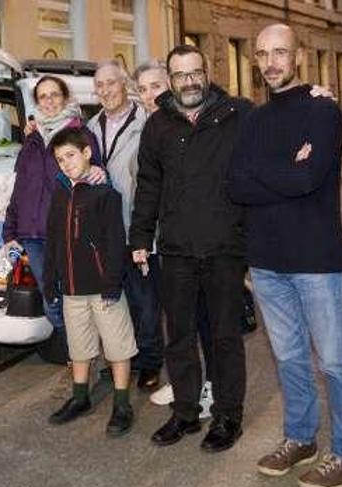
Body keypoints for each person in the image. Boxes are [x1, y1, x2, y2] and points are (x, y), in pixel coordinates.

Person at [230, 24, 342, 487]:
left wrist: (267, 173)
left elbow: (307, 178)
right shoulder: (251, 120)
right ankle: (301, 439)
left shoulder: (323, 110)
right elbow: (236, 185)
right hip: (266, 262)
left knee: (334, 360)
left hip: (316, 261)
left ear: (298, 57)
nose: (271, 62)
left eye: (281, 53)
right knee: (289, 358)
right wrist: (284, 170)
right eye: (264, 53)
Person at [130, 44, 251, 453]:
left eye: (195, 73)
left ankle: (227, 415)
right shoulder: (158, 125)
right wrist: (140, 238)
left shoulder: (237, 115)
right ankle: (185, 413)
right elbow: (148, 185)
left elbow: (278, 136)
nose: (189, 82)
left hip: (224, 249)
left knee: (224, 338)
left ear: (207, 72)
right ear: (170, 79)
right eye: (180, 75)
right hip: (177, 250)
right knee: (178, 337)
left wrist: (311, 97)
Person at [42, 126, 137, 436]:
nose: (66, 163)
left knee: (117, 346)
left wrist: (113, 282)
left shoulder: (105, 194)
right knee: (79, 348)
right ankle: (80, 396)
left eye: (70, 155)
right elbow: (54, 238)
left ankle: (122, 404)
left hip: (102, 289)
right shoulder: (59, 194)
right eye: (59, 159)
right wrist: (50, 277)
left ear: (86, 153)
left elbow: (114, 241)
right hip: (71, 288)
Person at [133, 60, 215, 416]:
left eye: (156, 86)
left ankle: (209, 385)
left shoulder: (190, 119)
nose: (151, 94)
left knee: (205, 318)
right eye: (144, 89)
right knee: (175, 320)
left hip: (197, 240)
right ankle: (184, 382)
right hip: (159, 239)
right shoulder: (145, 125)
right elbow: (146, 187)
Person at [3, 75, 103, 364]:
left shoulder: (80, 134)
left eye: (54, 95)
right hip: (33, 235)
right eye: (43, 96)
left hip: (67, 232)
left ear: (65, 97)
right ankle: (79, 350)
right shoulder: (32, 139)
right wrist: (10, 230)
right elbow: (20, 188)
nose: (49, 101)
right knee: (52, 302)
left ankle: (82, 355)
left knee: (74, 296)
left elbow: (95, 176)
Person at [86, 60, 162, 390]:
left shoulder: (147, 120)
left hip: (139, 226)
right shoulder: (91, 125)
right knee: (116, 302)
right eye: (99, 86)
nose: (105, 90)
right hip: (106, 230)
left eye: (110, 83)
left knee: (145, 301)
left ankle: (149, 362)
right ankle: (123, 359)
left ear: (124, 85)